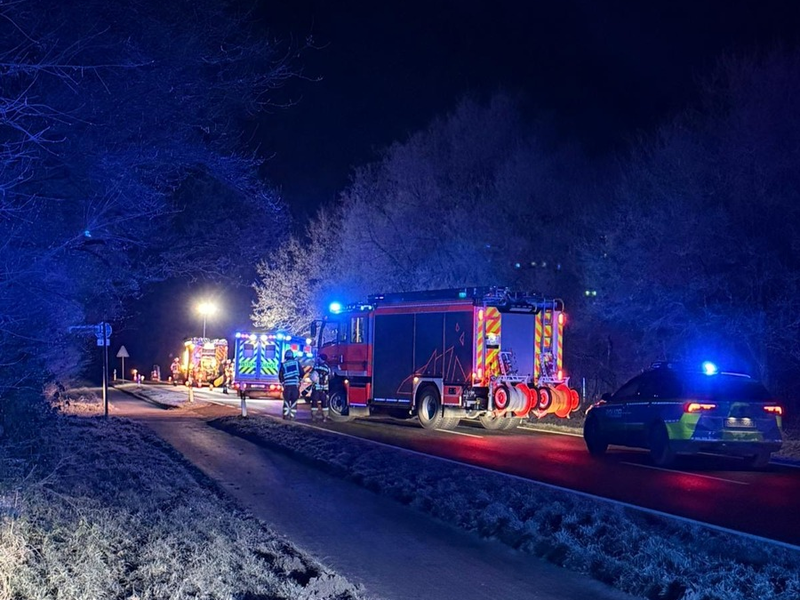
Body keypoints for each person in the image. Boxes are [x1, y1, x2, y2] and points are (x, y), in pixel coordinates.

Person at [278, 349, 301, 420]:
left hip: (287, 386)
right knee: (294, 401)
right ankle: (292, 416)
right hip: (295, 386)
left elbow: (280, 375)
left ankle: (285, 416)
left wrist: (282, 382)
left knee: (286, 401)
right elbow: (302, 373)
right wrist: (299, 380)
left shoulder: (283, 364)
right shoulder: (297, 363)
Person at [310, 354, 331, 422]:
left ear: (321, 359)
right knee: (324, 404)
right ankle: (325, 418)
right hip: (324, 389)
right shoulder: (327, 368)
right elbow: (329, 377)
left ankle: (314, 417)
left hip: (316, 388)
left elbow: (312, 376)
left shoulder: (316, 366)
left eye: (319, 358)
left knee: (314, 403)